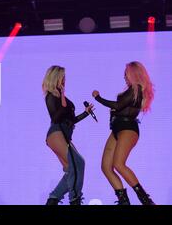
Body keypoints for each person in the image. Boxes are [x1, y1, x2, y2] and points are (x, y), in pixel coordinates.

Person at [92, 61, 155, 205]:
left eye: (126, 73)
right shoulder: (131, 90)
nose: (124, 76)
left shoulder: (136, 88)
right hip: (117, 129)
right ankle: (124, 201)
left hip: (127, 128)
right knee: (106, 167)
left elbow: (118, 105)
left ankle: (146, 200)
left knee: (119, 164)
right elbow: (119, 108)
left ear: (133, 74)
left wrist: (98, 97)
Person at [43, 65, 94, 205]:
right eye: (62, 77)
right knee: (78, 163)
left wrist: (86, 113)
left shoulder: (60, 97)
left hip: (64, 133)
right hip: (56, 132)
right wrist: (62, 94)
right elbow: (57, 116)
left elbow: (70, 120)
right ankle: (75, 199)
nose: (64, 80)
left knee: (74, 167)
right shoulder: (51, 96)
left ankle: (53, 199)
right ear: (56, 78)